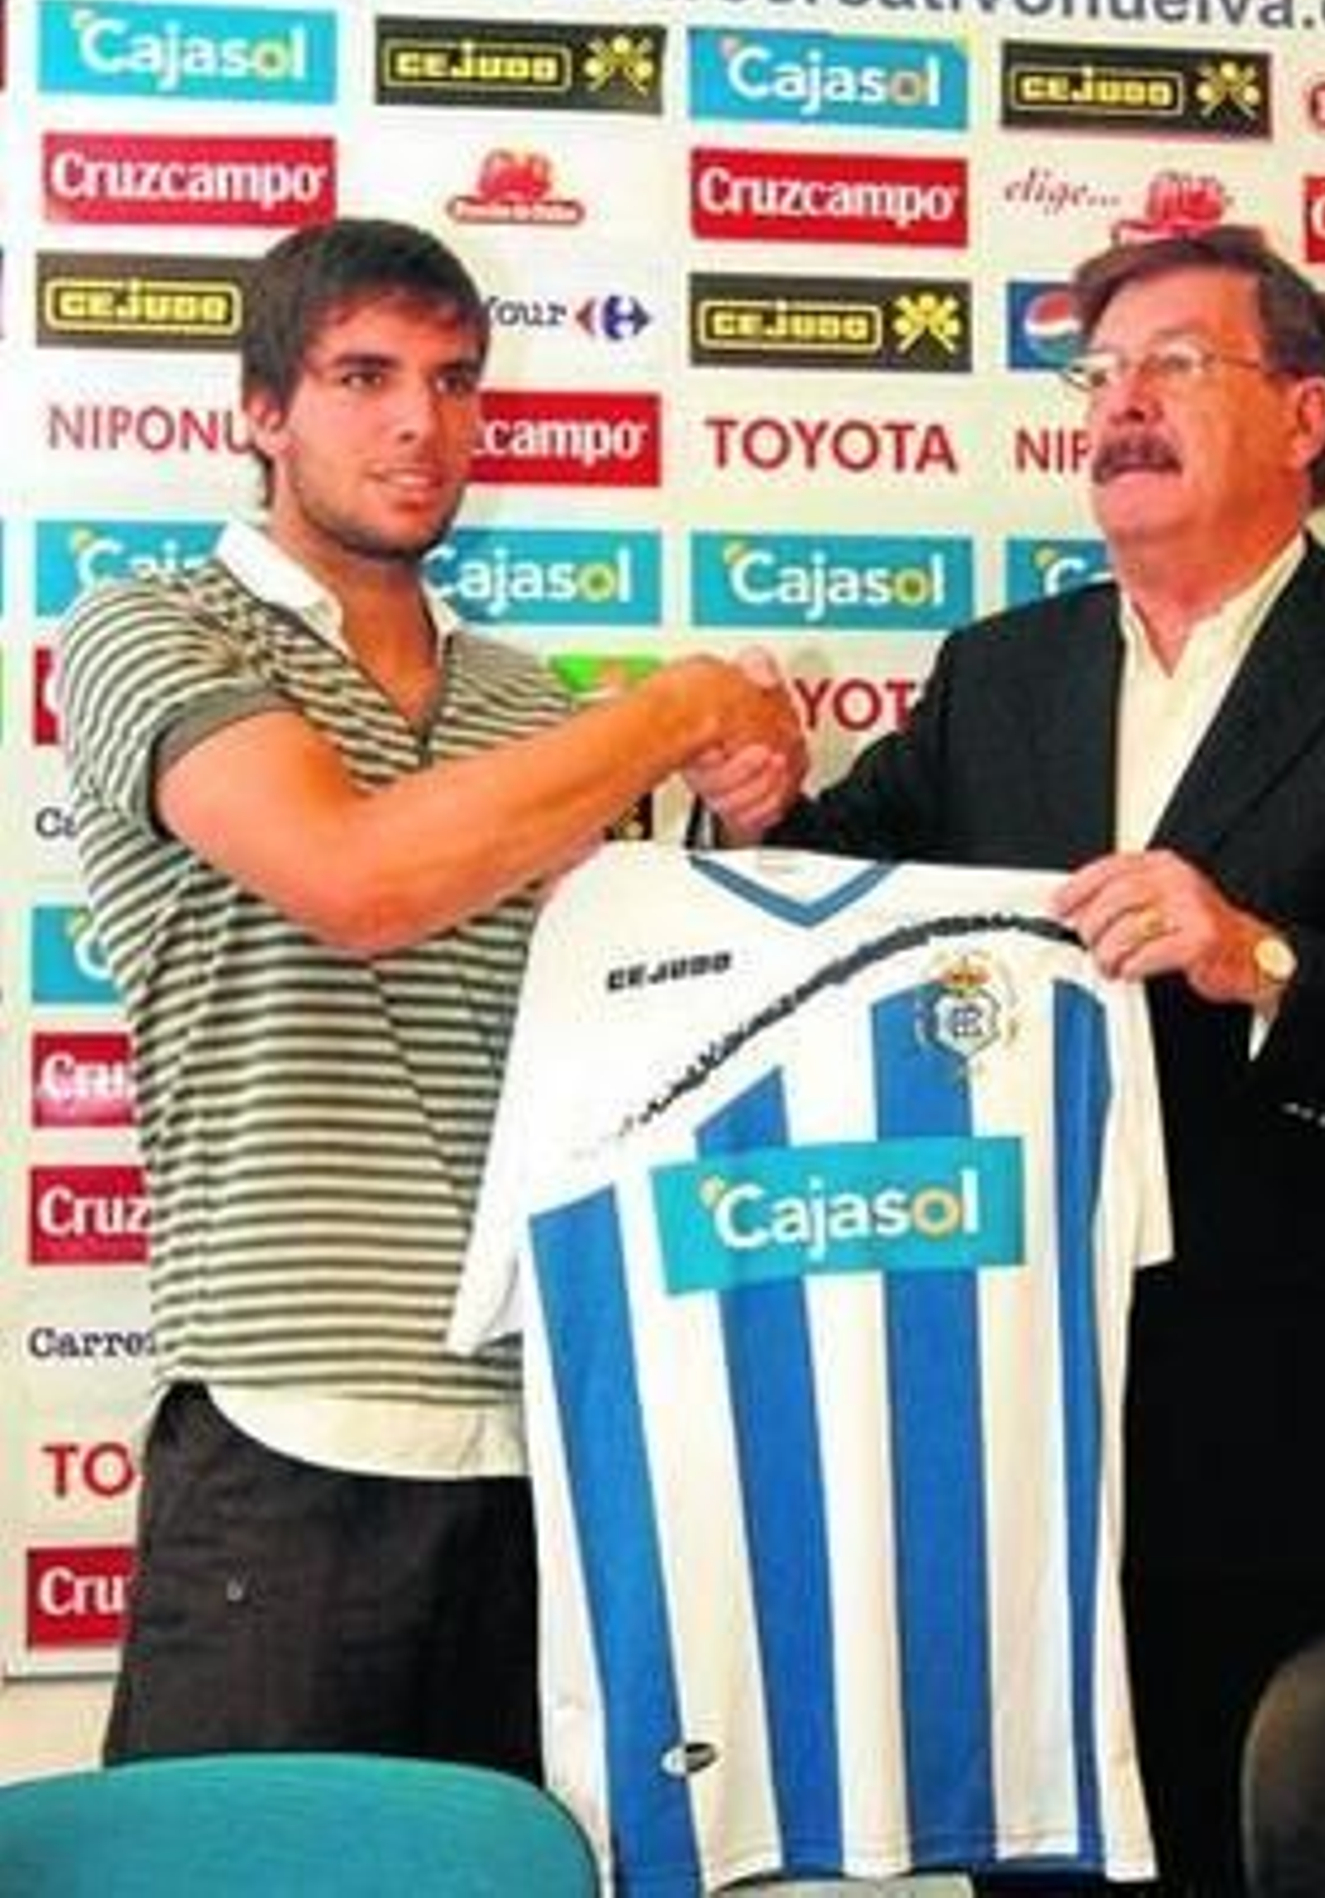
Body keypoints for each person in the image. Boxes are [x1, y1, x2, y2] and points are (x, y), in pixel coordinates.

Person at [701, 225, 1325, 1892]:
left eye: (1175, 364)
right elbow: (834, 908)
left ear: (1306, 414)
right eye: (1099, 376)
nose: (1119, 406)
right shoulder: (997, 675)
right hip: (1006, 1429)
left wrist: (1261, 958)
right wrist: (761, 814)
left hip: (1291, 1446)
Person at [57, 216, 804, 1776]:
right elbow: (359, 881)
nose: (421, 421)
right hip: (292, 1418)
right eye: (364, 375)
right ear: (261, 411)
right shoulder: (149, 627)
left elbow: (638, 1036)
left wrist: (748, 823)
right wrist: (671, 712)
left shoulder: (528, 702)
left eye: (456, 380)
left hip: (542, 1427)